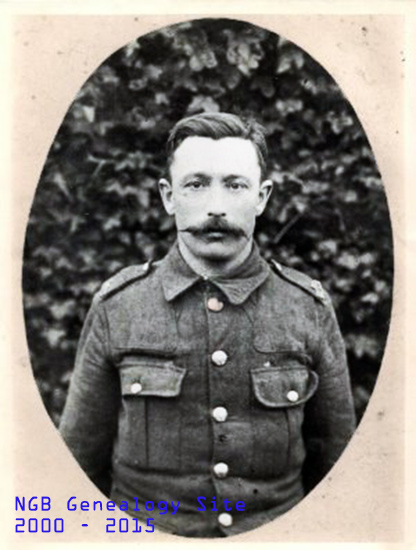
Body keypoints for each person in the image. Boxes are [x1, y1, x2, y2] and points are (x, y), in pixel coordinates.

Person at [60, 112, 356, 537]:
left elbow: (337, 474)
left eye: (235, 185)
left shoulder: (306, 308)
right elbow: (77, 469)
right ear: (168, 196)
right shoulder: (118, 307)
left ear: (262, 197)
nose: (216, 207)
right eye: (196, 185)